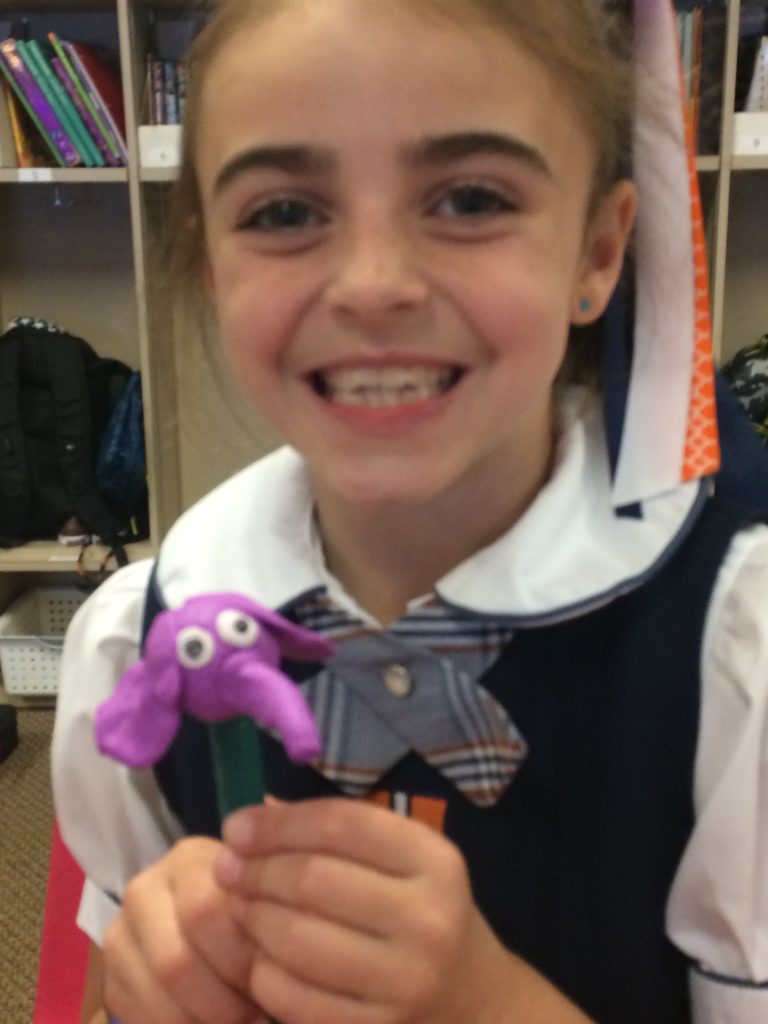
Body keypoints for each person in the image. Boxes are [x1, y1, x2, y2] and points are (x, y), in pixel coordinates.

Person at [52, 0, 768, 1022]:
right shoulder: (151, 632)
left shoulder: (732, 650)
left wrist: (492, 1006)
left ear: (598, 252)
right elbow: (108, 981)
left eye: (471, 199)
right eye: (284, 213)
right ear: (211, 268)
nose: (374, 285)